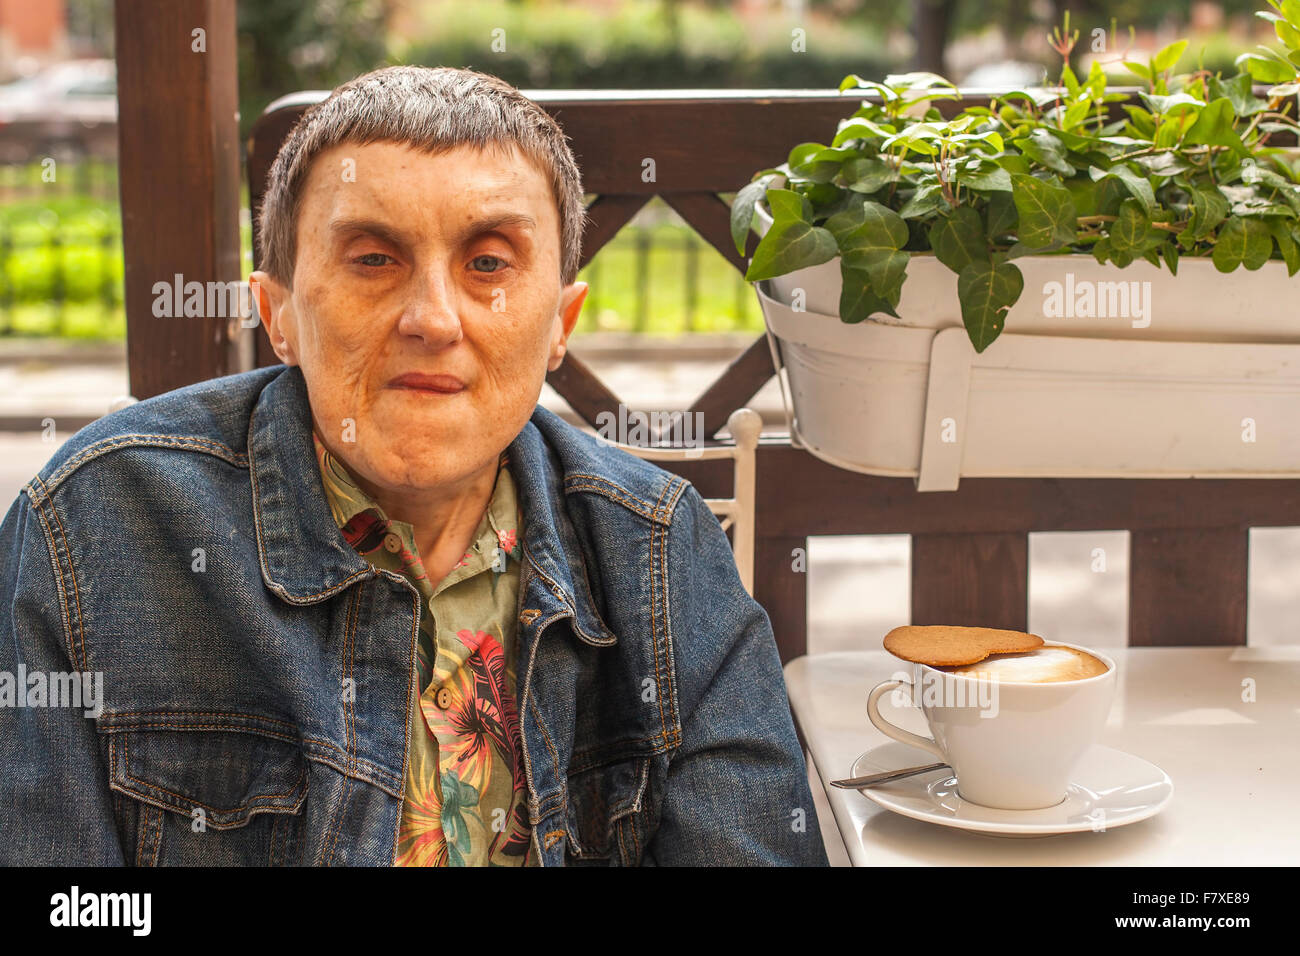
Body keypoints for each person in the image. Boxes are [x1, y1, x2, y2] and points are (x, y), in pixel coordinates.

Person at [0, 65, 827, 866]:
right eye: (372, 258)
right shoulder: (94, 526)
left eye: (490, 262)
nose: (433, 318)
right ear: (277, 313)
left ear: (560, 323)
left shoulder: (660, 552)